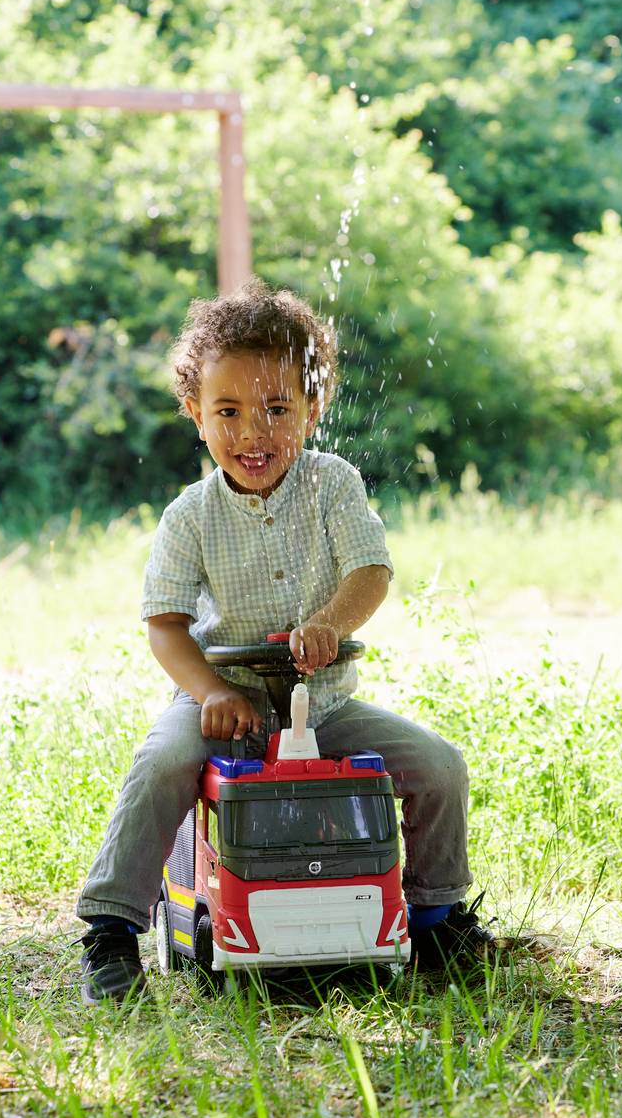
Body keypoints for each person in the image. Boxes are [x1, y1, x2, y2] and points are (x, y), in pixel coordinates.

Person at [75, 279, 495, 1002]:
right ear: (195, 413)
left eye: (276, 410)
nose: (252, 433)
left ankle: (435, 918)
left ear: (312, 408)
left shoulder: (333, 484)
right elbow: (165, 626)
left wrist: (330, 622)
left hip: (320, 709)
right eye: (228, 412)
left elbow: (369, 571)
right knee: (163, 761)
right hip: (219, 708)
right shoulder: (189, 516)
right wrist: (209, 691)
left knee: (438, 765)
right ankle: (110, 930)